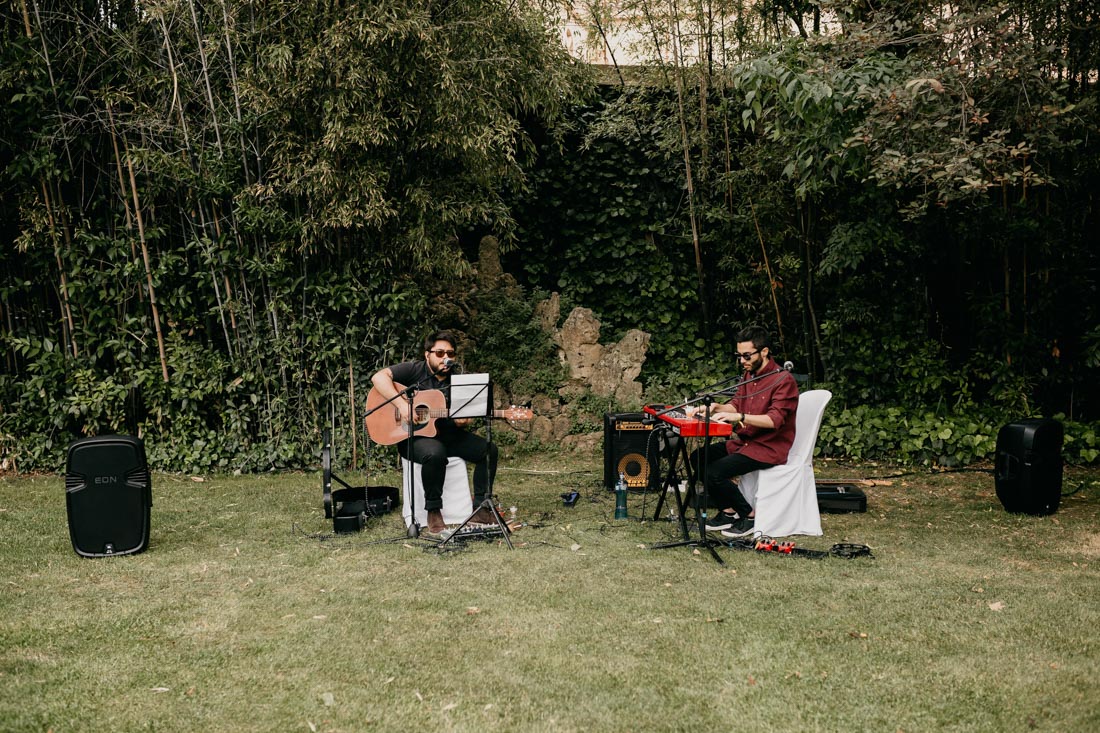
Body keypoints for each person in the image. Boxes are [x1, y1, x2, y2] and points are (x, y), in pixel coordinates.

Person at [370, 330, 499, 535]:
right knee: (434, 453)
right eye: (439, 353)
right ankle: (433, 510)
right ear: (427, 354)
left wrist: (463, 420)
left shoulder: (458, 379)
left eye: (450, 353)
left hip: (447, 435)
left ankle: (481, 508)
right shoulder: (414, 370)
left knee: (488, 449)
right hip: (414, 437)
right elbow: (379, 377)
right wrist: (403, 406)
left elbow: (463, 417)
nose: (446, 358)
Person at [684, 326, 798, 538]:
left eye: (747, 355)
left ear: (764, 352)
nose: (742, 360)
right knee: (698, 457)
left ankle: (749, 515)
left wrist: (741, 418)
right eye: (739, 356)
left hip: (768, 448)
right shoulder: (749, 375)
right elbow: (736, 405)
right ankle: (728, 512)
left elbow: (774, 420)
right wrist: (715, 408)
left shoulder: (783, 381)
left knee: (714, 472)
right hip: (745, 443)